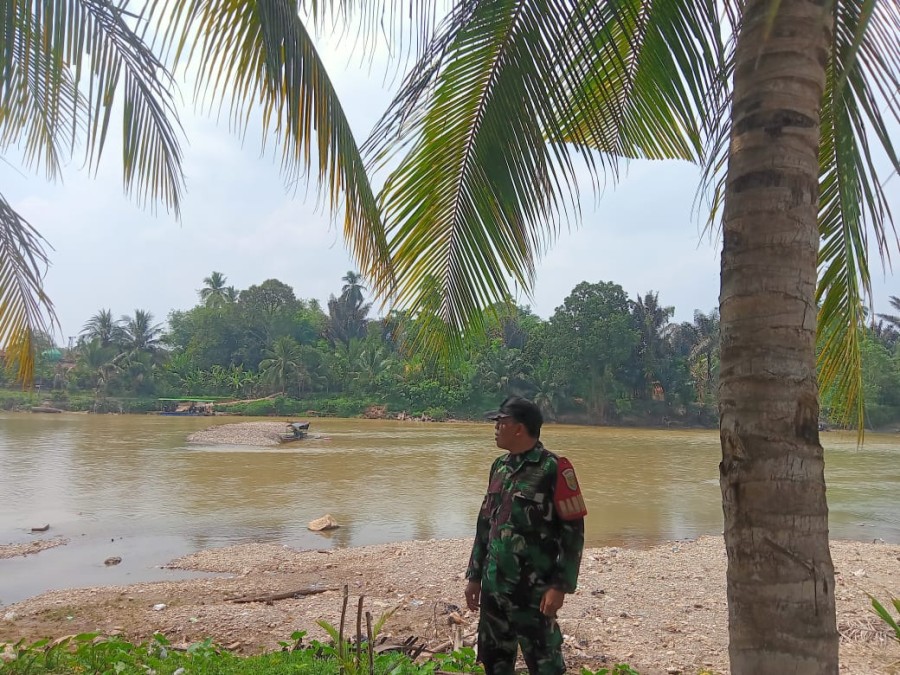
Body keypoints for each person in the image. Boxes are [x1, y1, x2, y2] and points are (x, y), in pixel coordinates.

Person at [464, 396, 587, 675]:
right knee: (494, 662)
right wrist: (474, 576)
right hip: (494, 588)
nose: (495, 428)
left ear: (519, 428)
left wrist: (561, 586)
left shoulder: (554, 469)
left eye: (501, 422)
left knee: (545, 665)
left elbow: (574, 534)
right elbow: (485, 525)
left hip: (535, 593)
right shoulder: (499, 467)